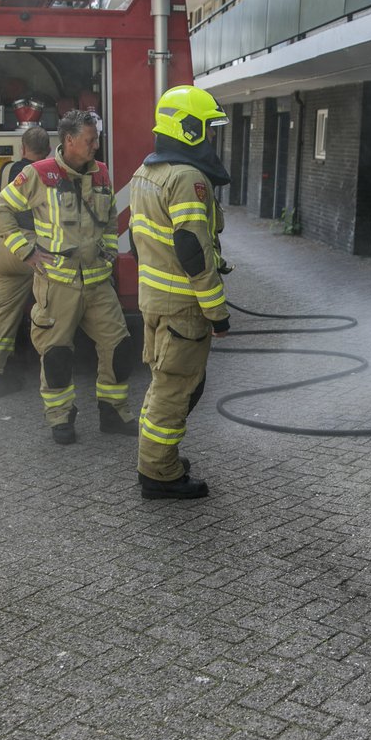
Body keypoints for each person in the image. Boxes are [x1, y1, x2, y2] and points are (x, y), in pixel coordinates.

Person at [0, 110, 139, 445]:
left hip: (99, 284)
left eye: (97, 139)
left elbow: (111, 216)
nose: (96, 146)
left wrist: (111, 250)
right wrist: (26, 251)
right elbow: (1, 209)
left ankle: (113, 412)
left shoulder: (101, 173)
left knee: (120, 348)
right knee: (57, 355)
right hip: (58, 283)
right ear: (69, 140)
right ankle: (60, 418)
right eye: (90, 140)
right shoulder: (38, 174)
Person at [127, 85, 233, 500]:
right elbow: (194, 253)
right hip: (183, 308)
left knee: (165, 385)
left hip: (156, 301)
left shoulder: (146, 173)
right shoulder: (187, 177)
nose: (209, 139)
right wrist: (218, 313)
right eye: (205, 129)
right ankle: (160, 474)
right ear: (187, 128)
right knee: (176, 389)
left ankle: (158, 457)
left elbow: (140, 242)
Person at [0, 125, 51, 394]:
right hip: (38, 249)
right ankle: (53, 368)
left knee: (1, 312)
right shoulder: (51, 171)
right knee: (53, 307)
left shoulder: (9, 170)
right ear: (47, 150)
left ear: (23, 148)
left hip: (5, 248)